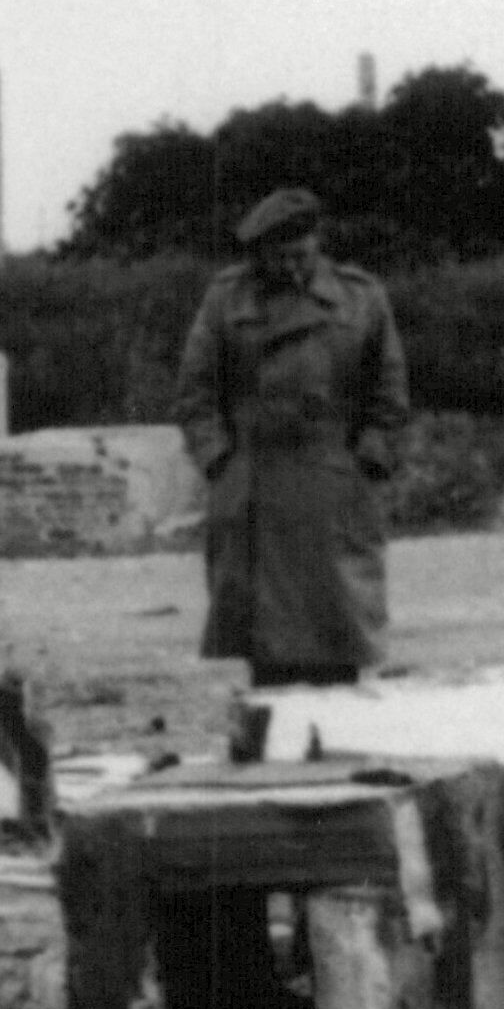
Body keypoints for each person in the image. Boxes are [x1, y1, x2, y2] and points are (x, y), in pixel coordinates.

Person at [175, 184, 409, 690]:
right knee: (265, 640)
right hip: (254, 482)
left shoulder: (361, 297)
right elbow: (196, 393)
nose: (290, 266)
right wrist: (220, 463)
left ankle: (338, 732)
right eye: (277, 255)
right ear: (259, 252)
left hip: (334, 483)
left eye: (299, 253)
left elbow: (389, 394)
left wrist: (368, 464)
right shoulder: (226, 297)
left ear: (316, 242)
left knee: (337, 626)